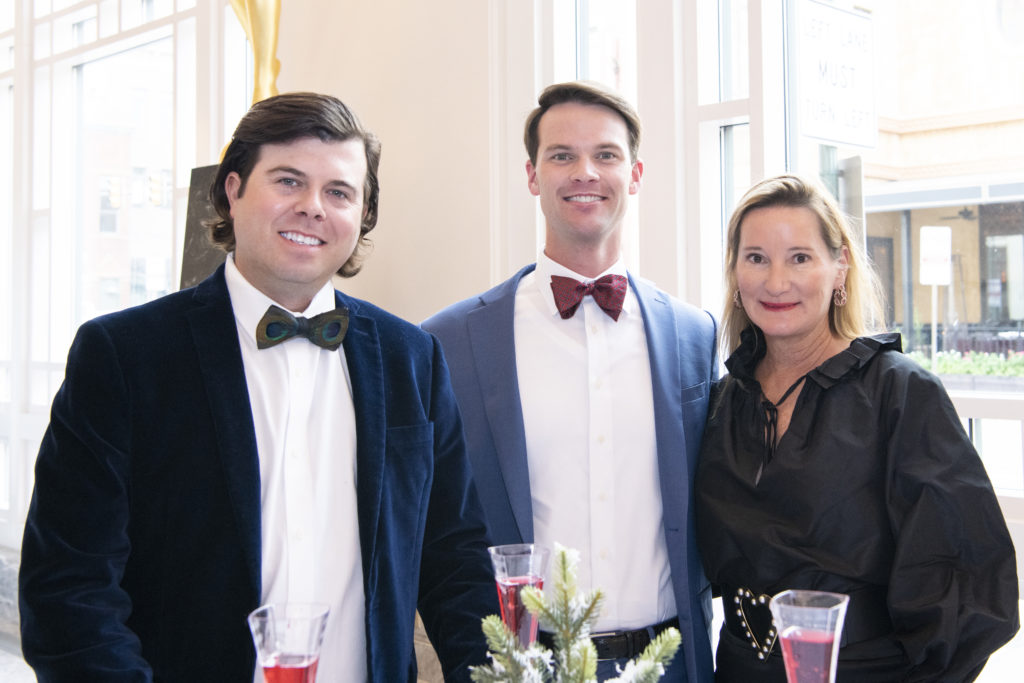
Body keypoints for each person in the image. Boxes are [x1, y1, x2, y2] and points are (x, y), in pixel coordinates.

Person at [19, 92, 498, 682]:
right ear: (233, 189)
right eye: (288, 181)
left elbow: (456, 559)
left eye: (339, 192)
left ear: (362, 215)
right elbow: (69, 588)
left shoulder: (412, 357)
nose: (313, 208)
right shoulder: (124, 356)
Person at [422, 81, 717, 683]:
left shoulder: (696, 335)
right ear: (532, 175)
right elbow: (431, 530)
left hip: (672, 664)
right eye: (562, 155)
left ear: (634, 174)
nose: (585, 171)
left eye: (606, 154)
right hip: (519, 665)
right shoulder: (449, 342)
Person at [695, 173, 1020, 682]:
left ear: (839, 265)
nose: (776, 281)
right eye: (756, 257)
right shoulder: (721, 402)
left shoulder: (901, 394)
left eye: (800, 257)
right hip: (738, 669)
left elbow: (963, 579)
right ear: (735, 272)